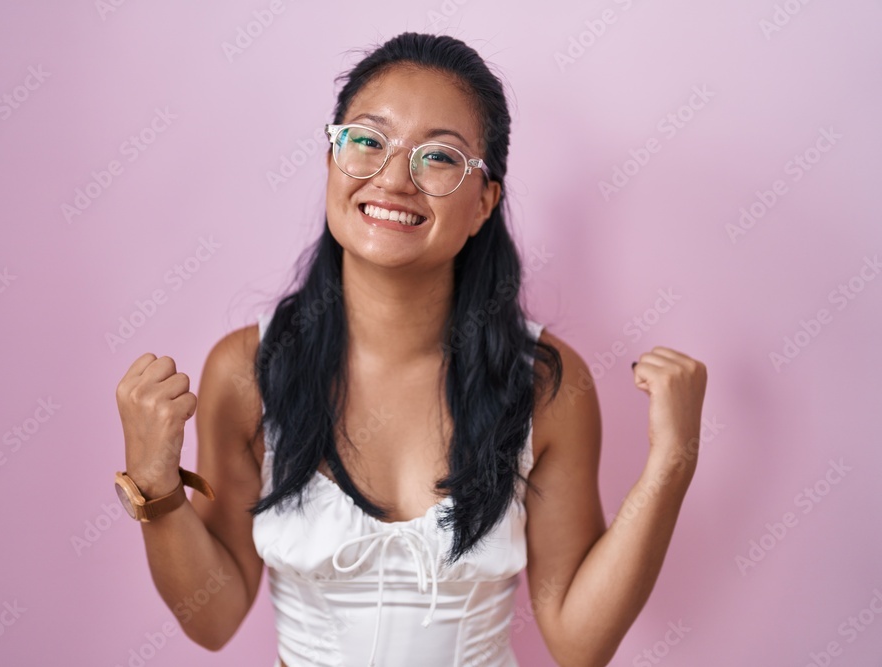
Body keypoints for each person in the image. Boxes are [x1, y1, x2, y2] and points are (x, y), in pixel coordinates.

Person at [115, 32, 707, 667]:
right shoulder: (247, 372)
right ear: (331, 160)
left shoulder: (541, 385)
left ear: (484, 203)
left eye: (439, 157)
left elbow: (578, 642)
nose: (395, 178)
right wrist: (154, 484)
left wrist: (671, 464)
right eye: (368, 141)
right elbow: (212, 618)